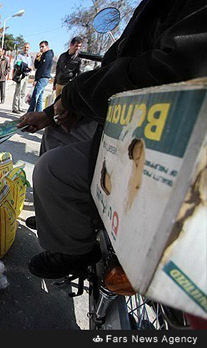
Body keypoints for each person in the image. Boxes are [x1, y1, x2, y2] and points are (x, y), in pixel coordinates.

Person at [16, 0, 207, 279]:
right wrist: (51, 112)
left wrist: (75, 93)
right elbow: (116, 67)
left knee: (50, 170)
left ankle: (76, 250)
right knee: (56, 130)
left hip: (165, 141)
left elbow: (166, 72)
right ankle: (61, 220)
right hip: (130, 120)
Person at [27, 41, 54, 112]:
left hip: (43, 77)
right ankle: (38, 112)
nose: (41, 48)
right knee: (39, 97)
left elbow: (43, 68)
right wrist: (37, 58)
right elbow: (37, 66)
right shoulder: (43, 55)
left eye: (43, 46)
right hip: (42, 77)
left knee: (35, 95)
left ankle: (29, 113)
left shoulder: (48, 54)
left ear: (47, 46)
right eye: (40, 47)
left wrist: (36, 79)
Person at [12, 43, 32, 114]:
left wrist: (29, 69)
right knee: (18, 92)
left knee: (23, 92)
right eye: (25, 47)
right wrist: (25, 66)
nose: (26, 49)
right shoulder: (20, 56)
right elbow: (17, 64)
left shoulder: (29, 57)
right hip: (21, 75)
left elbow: (30, 66)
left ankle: (20, 107)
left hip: (26, 75)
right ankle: (15, 107)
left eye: (27, 47)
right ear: (23, 48)